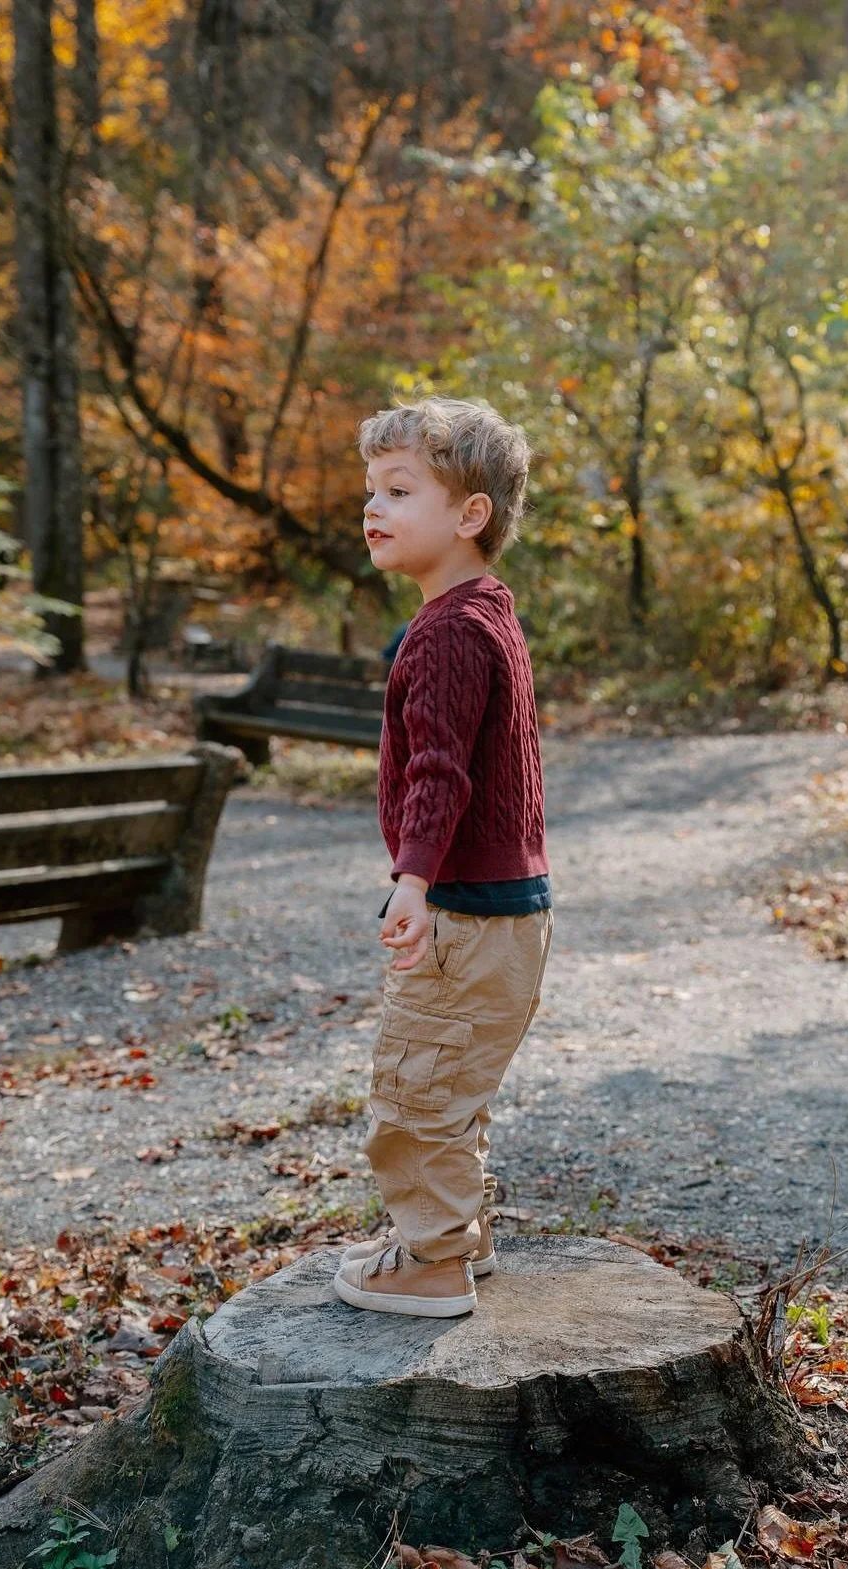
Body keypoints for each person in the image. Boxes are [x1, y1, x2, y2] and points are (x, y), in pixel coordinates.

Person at [333, 396, 553, 1318]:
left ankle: (431, 1260)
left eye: (398, 490)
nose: (373, 509)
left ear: (471, 515)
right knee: (448, 1079)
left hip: (466, 912)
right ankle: (461, 1237)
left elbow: (439, 772)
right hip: (508, 910)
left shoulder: (450, 630)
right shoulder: (485, 611)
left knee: (415, 1087)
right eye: (370, 491)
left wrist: (412, 880)